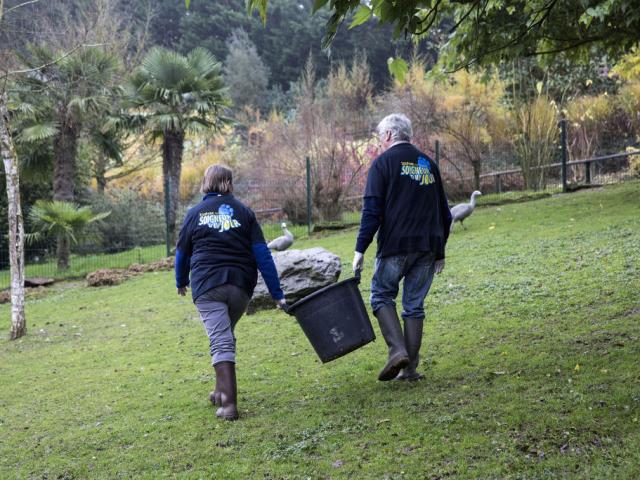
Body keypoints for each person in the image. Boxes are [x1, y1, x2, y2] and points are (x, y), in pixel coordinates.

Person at [175, 164, 286, 420]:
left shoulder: (194, 213)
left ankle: (229, 405)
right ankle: (219, 391)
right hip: (240, 286)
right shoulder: (244, 212)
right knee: (224, 336)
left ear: (206, 183)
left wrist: (181, 281)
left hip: (207, 285)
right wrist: (276, 292)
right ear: (229, 183)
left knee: (220, 340)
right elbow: (262, 254)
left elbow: (182, 253)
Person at [353, 114, 452, 382]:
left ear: (388, 136)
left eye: (379, 136)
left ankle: (397, 351)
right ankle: (410, 370)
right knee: (414, 305)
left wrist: (360, 249)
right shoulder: (428, 164)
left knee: (382, 296)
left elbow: (371, 210)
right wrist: (439, 251)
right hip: (428, 247)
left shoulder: (382, 163)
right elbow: (446, 213)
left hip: (396, 245)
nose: (379, 140)